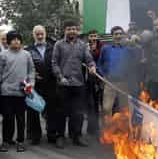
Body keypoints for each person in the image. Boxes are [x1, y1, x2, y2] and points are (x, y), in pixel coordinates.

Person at [52, 21, 96, 149]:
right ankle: (60, 136)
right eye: (69, 29)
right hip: (63, 84)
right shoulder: (58, 44)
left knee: (78, 112)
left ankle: (77, 136)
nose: (72, 31)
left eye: (74, 29)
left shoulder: (82, 45)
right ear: (65, 30)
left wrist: (92, 66)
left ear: (77, 31)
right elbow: (54, 63)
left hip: (78, 84)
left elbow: (89, 60)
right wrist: (60, 77)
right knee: (61, 112)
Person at [0, 31, 35, 152]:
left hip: (22, 92)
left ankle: (20, 141)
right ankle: (6, 141)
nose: (16, 41)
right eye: (13, 39)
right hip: (6, 93)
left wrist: (31, 85)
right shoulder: (3, 55)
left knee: (21, 118)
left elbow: (31, 71)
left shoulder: (27, 55)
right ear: (9, 41)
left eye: (18, 39)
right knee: (8, 118)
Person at [26, 25, 57, 145]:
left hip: (51, 84)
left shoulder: (53, 48)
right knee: (34, 110)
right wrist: (32, 77)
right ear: (33, 35)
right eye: (37, 34)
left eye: (41, 34)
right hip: (35, 85)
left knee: (51, 110)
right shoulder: (28, 50)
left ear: (45, 34)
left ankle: (52, 134)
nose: (39, 36)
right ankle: (35, 136)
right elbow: (26, 67)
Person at [97, 26, 130, 118]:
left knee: (124, 109)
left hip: (123, 83)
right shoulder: (105, 49)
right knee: (107, 108)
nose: (118, 36)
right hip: (109, 83)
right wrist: (103, 76)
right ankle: (107, 130)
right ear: (112, 36)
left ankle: (123, 130)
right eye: (116, 34)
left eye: (120, 34)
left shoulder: (127, 49)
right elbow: (99, 64)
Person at [86, 29, 103, 136]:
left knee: (101, 104)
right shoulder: (85, 47)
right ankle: (92, 127)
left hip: (100, 79)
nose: (93, 38)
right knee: (91, 104)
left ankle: (104, 128)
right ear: (88, 37)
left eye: (95, 36)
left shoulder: (103, 47)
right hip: (89, 79)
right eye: (91, 36)